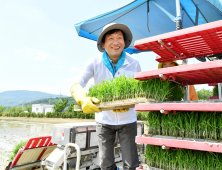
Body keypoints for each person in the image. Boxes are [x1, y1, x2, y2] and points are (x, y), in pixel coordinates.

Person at [70, 23, 141, 170]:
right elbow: (77, 83)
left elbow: (140, 90)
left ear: (124, 42)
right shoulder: (94, 62)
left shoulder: (134, 64)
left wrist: (130, 103)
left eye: (119, 38)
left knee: (131, 163)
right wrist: (83, 99)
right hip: (104, 121)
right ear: (103, 43)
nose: (116, 42)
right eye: (111, 38)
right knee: (105, 163)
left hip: (128, 120)